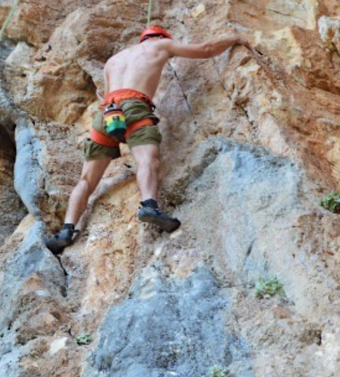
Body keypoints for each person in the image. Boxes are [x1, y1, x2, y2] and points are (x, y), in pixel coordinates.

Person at [44, 25, 249, 254]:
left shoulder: (114, 60)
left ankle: (66, 230)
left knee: (86, 180)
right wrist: (235, 38)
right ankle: (150, 206)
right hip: (134, 106)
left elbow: (105, 93)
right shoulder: (162, 45)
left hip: (106, 114)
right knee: (147, 160)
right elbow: (206, 49)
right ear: (160, 37)